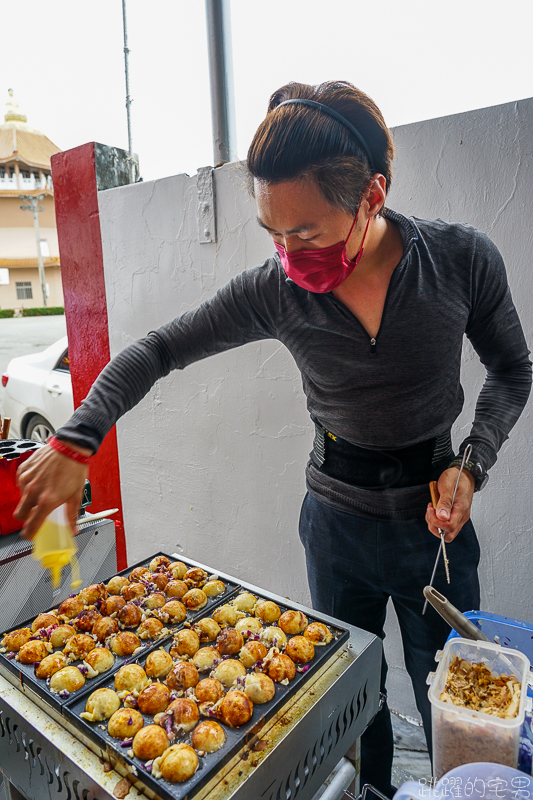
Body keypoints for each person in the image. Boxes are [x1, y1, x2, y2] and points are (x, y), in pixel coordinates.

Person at [16, 81, 531, 795]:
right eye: (272, 235)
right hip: (335, 526)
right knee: (356, 698)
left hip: (433, 529)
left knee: (453, 706)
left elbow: (512, 369)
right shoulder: (275, 290)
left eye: (307, 234)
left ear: (371, 198)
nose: (288, 255)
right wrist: (76, 441)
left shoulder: (459, 259)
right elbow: (160, 348)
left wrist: (471, 466)